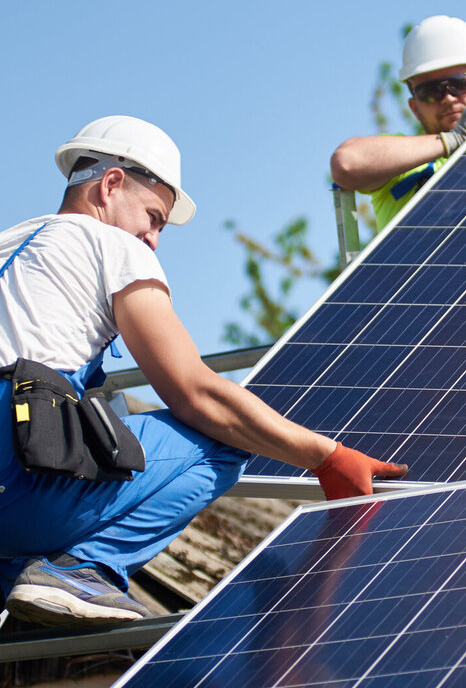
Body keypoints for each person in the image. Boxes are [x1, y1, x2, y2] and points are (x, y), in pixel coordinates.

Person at [0, 115, 407, 629]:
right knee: (222, 437)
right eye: (153, 217)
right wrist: (326, 456)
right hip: (15, 475)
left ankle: (28, 593)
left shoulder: (14, 242)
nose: (152, 239)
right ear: (110, 185)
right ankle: (87, 569)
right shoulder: (113, 247)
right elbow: (196, 393)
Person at [331, 15, 466, 231]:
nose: (448, 98)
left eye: (462, 82)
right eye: (430, 91)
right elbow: (346, 162)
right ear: (414, 108)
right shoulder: (402, 162)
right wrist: (453, 140)